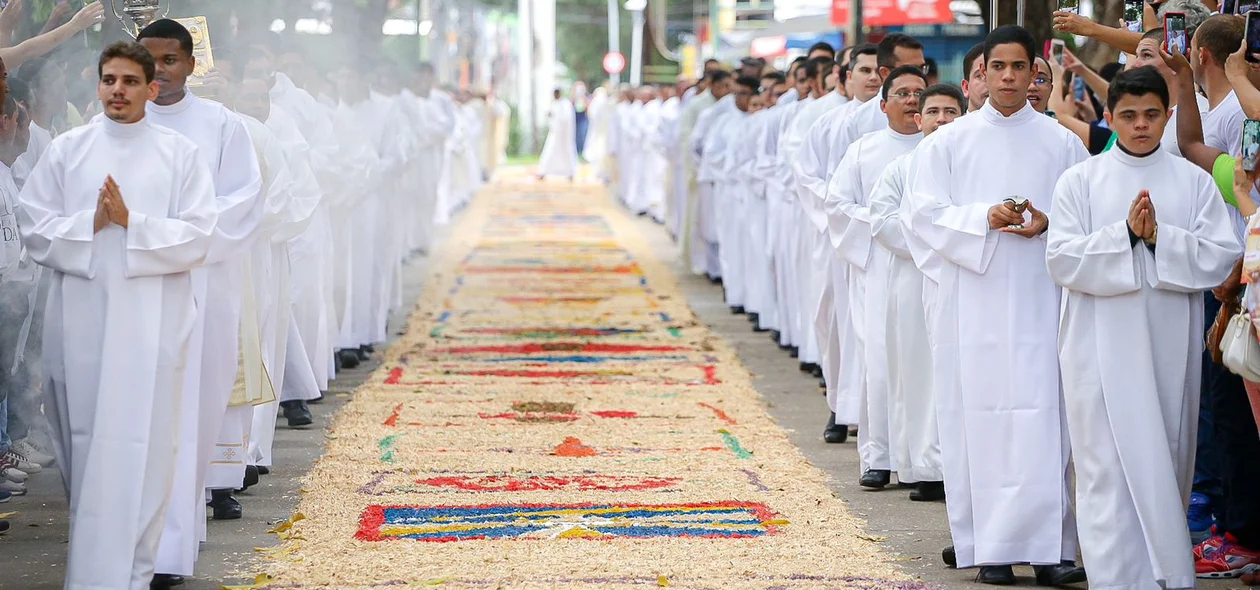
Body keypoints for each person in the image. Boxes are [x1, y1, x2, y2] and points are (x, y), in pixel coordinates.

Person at [17, 40, 217, 590]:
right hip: (81, 323)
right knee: (82, 441)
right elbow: (34, 225)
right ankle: (94, 566)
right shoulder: (68, 150)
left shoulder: (180, 154)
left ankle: (134, 572)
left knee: (148, 444)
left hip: (153, 325)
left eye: (130, 82)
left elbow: (201, 234)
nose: (117, 92)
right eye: (109, 81)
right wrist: (90, 225)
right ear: (98, 84)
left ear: (152, 89)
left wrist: (135, 222)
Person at [904, 25, 1088, 585]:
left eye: (1019, 67)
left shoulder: (1062, 143)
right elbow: (920, 216)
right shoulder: (948, 143)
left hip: (1042, 297)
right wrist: (981, 218)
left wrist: (1049, 223)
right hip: (973, 301)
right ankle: (991, 548)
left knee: (1045, 415)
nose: (1009, 78)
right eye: (996, 67)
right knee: (977, 418)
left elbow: (1088, 212)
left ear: (1036, 70)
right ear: (979, 74)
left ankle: (1052, 548)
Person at [1046, 65, 1240, 590]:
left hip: (1166, 344)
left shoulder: (1193, 182)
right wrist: (1124, 236)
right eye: (1128, 116)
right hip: (1096, 343)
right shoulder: (1079, 181)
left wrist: (1160, 240)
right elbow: (1061, 260)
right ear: (1109, 117)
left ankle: (1167, 572)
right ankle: (1113, 578)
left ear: (1167, 115)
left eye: (1151, 115)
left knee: (1165, 454)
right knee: (1104, 466)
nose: (1140, 126)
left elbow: (1224, 257)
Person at [136, 18, 264, 584]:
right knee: (149, 415)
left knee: (196, 410)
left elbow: (244, 199)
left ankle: (177, 538)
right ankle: (156, 547)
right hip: (138, 285)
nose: (158, 72)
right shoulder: (113, 123)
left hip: (205, 281)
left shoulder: (221, 124)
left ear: (192, 64)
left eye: (170, 60)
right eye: (149, 60)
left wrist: (182, 241)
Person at [823, 64, 926, 489]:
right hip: (880, 265)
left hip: (929, 267)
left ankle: (922, 463)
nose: (911, 100)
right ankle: (878, 456)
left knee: (923, 366)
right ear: (883, 105)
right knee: (879, 362)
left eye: (919, 92)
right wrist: (883, 224)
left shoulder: (941, 147)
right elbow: (837, 204)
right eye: (901, 93)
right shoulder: (864, 150)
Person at [868, 83, 966, 502]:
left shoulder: (970, 164)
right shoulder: (900, 169)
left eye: (950, 111)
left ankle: (959, 464)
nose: (942, 120)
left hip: (965, 276)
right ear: (919, 119)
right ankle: (924, 466)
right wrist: (934, 240)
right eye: (934, 112)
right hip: (913, 278)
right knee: (917, 372)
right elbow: (883, 221)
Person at [538, 88, 577, 180]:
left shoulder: (566, 105)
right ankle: (543, 171)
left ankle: (570, 172)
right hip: (555, 134)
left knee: (567, 151)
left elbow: (566, 120)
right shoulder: (556, 104)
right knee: (549, 150)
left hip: (564, 136)